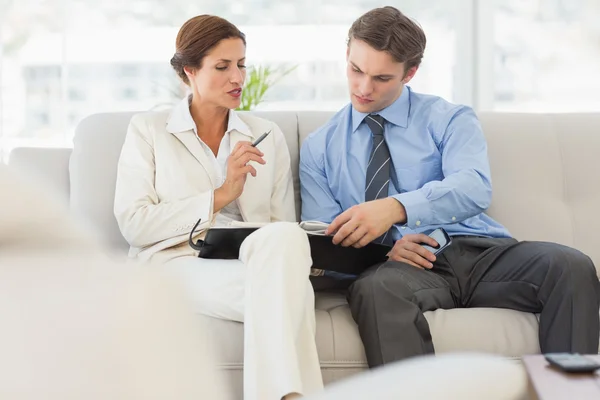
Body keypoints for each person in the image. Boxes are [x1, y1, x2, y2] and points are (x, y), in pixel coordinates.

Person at [300, 6, 600, 368]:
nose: (364, 88)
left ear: (410, 73)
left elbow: (473, 186)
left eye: (381, 78)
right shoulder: (319, 148)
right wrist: (385, 251)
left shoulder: (450, 118)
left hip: (480, 253)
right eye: (356, 70)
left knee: (570, 265)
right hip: (400, 266)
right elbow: (324, 242)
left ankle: (568, 395)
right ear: (347, 54)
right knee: (375, 289)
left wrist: (396, 208)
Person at [113, 15, 322, 400]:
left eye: (241, 65)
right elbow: (135, 224)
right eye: (223, 67)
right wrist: (221, 194)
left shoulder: (266, 135)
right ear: (189, 71)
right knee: (292, 295)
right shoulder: (149, 131)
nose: (237, 78)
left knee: (287, 246)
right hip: (174, 263)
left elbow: (280, 229)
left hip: (250, 260)